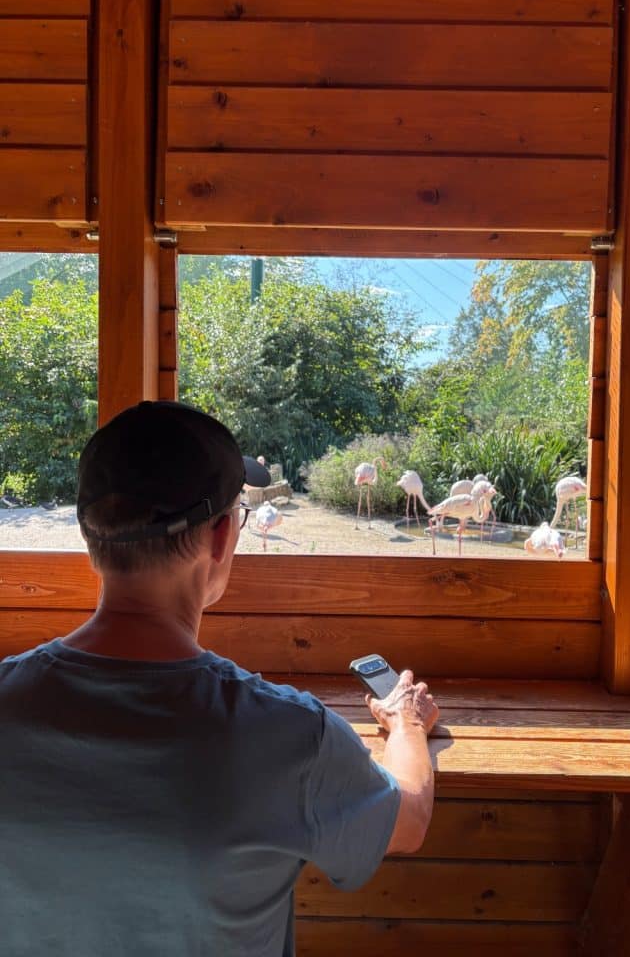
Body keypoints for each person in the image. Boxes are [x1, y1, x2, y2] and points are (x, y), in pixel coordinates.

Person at [0, 401, 439, 956]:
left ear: (90, 538)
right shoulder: (289, 736)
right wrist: (405, 726)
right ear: (222, 537)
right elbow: (409, 820)